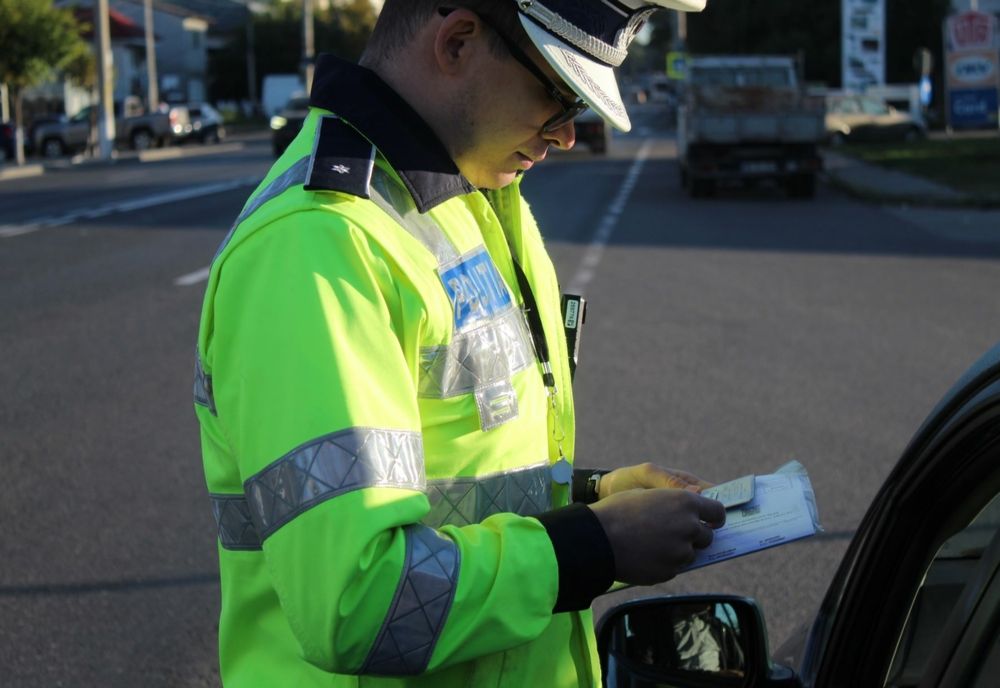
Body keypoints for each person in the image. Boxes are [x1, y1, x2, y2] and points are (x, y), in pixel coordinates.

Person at [193, 1, 724, 686]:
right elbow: (358, 603)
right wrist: (597, 546)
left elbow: (453, 468)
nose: (565, 135)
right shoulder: (319, 244)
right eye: (558, 96)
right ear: (458, 42)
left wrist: (596, 496)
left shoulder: (469, 195)